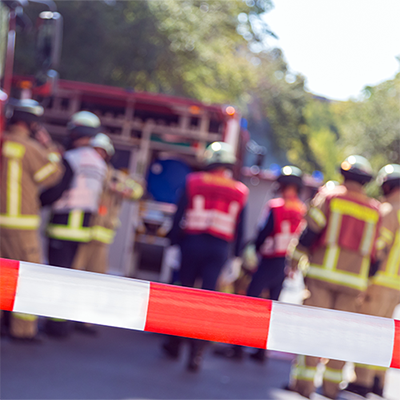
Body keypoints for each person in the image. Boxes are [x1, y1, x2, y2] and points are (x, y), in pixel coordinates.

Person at [285, 155, 381, 400]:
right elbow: (376, 253)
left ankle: (303, 386)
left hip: (321, 277)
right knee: (340, 336)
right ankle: (330, 390)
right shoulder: (374, 210)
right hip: (353, 283)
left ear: (343, 174)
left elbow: (310, 231)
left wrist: (294, 258)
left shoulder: (330, 196)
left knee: (312, 330)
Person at [162, 141, 249, 372]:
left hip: (191, 244)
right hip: (219, 250)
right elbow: (240, 228)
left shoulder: (193, 181)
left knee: (183, 294)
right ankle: (196, 354)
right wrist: (237, 257)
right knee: (207, 301)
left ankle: (173, 343)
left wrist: (172, 244)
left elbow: (178, 214)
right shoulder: (239, 191)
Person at [215, 165, 306, 363]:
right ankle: (260, 351)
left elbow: (264, 233)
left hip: (269, 260)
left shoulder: (276, 206)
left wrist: (252, 251)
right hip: (284, 264)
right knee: (271, 308)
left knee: (250, 303)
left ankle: (237, 348)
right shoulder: (302, 209)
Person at [0, 98, 63, 341]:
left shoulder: (3, 140)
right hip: (21, 226)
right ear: (32, 124)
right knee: (27, 277)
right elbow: (51, 174)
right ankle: (22, 330)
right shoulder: (30, 148)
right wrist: (52, 151)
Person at [40, 111, 108, 337]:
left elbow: (58, 190)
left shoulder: (72, 158)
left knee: (57, 277)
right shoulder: (99, 162)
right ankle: (62, 322)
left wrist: (36, 201)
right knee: (69, 277)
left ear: (76, 132)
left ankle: (55, 325)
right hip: (82, 229)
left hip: (63, 224)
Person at [343, 164, 400, 399]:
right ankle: (378, 381)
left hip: (380, 282)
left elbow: (379, 249)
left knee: (369, 331)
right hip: (396, 286)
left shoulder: (389, 210)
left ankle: (362, 381)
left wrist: (366, 278)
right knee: (385, 334)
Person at [72, 133, 144, 275]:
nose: (98, 155)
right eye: (95, 150)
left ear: (107, 154)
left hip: (101, 238)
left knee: (97, 276)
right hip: (81, 234)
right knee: (74, 272)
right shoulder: (84, 171)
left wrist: (122, 190)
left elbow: (137, 191)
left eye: (101, 151)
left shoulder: (116, 176)